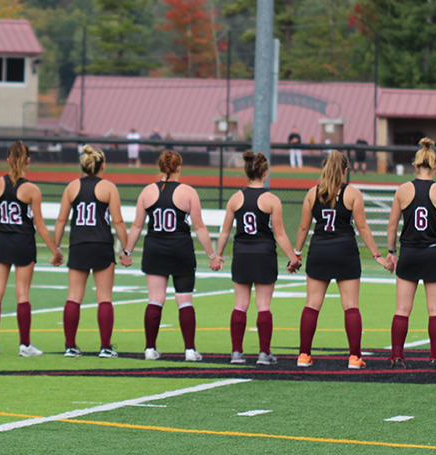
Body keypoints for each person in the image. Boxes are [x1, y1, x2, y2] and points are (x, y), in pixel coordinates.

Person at [292, 151, 389, 369]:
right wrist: (378, 256)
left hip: (319, 251)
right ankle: (354, 357)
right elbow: (363, 228)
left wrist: (296, 255)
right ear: (345, 170)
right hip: (345, 251)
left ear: (324, 169)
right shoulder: (352, 193)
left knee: (312, 304)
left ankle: (304, 355)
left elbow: (303, 228)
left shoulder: (312, 193)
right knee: (351, 305)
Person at [123, 150, 216, 361]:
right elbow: (200, 227)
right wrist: (212, 255)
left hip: (155, 248)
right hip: (181, 249)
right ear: (179, 167)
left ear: (159, 167)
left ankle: (149, 349)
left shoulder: (147, 191)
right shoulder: (188, 192)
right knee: (184, 301)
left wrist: (127, 252)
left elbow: (137, 225)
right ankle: (190, 350)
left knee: (155, 299)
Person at [210, 151, 301, 365]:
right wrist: (293, 258)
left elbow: (224, 232)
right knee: (263, 305)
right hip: (264, 255)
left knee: (240, 304)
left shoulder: (235, 198)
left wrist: (218, 255)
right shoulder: (272, 200)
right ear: (266, 173)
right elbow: (279, 234)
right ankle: (263, 353)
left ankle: (236, 353)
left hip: (241, 253)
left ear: (246, 173)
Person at [386, 138, 436, 370]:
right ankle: (435, 358)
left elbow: (392, 226)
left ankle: (397, 357)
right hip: (433, 253)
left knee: (402, 309)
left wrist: (391, 252)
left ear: (416, 165)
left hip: (409, 252)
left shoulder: (403, 189)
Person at [0, 141, 64, 357]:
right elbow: (40, 225)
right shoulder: (32, 189)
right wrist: (55, 250)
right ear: (28, 161)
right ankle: (25, 345)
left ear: (8, 160)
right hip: (23, 243)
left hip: (1, 240)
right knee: (22, 294)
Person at [52, 145, 131, 358]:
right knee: (104, 297)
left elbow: (61, 221)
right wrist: (127, 249)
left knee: (74, 296)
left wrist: (56, 248)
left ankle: (70, 346)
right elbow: (118, 221)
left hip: (78, 244)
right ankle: (105, 347)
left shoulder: (72, 187)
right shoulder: (108, 187)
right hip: (102, 245)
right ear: (102, 166)